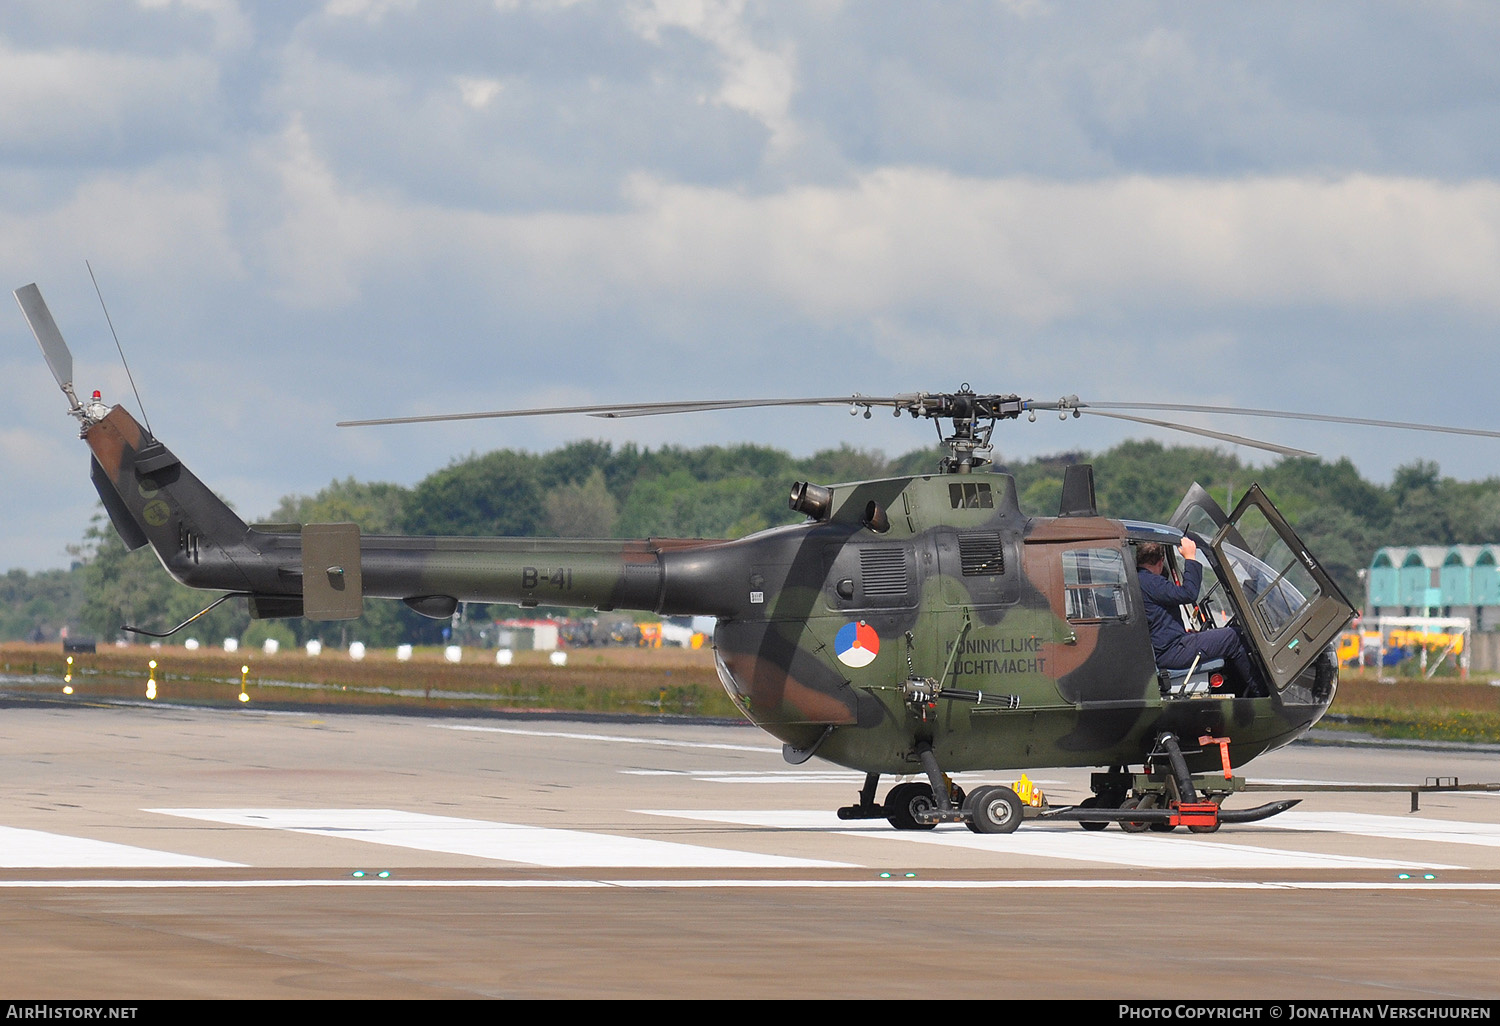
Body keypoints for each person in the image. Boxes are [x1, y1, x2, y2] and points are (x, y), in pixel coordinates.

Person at [1136, 538, 1260, 695]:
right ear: (1161, 561)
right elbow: (1189, 593)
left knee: (1225, 637)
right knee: (1233, 636)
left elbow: (1156, 620)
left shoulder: (1139, 581)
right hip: (1171, 651)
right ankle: (1261, 693)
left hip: (1169, 646)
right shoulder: (1151, 582)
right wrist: (1190, 558)